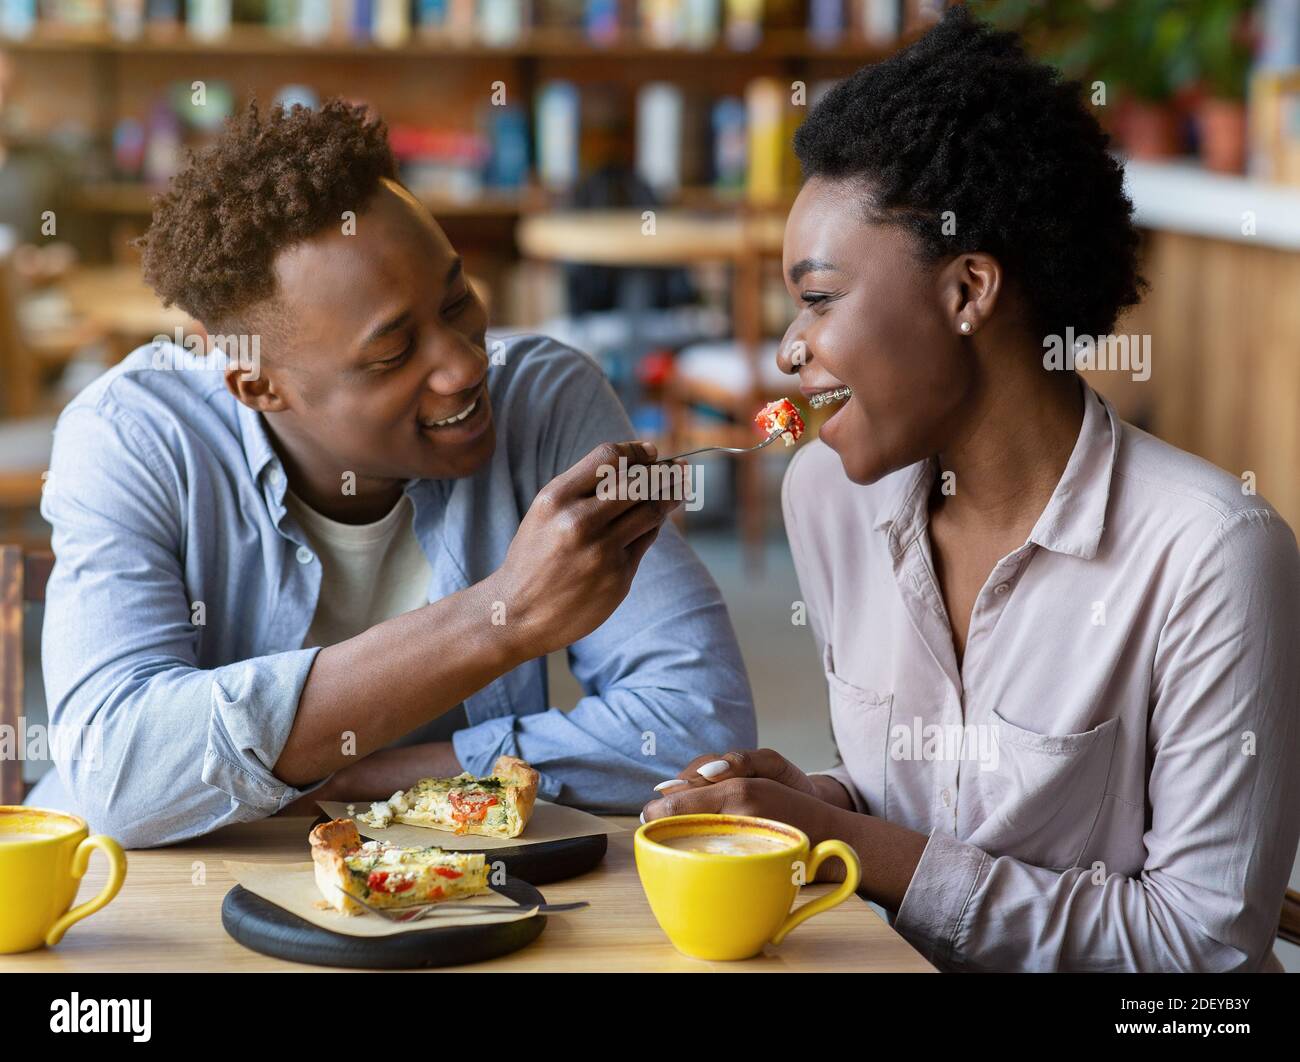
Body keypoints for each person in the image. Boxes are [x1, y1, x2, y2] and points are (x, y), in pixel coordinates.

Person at [643, 8, 1300, 972]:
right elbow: (929, 816)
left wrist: (863, 848)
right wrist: (826, 807)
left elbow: (1205, 957)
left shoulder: (1213, 555)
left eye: (818, 300)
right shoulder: (827, 497)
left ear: (967, 292)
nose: (790, 350)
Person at [28, 99, 755, 847]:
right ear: (256, 383)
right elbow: (119, 773)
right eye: (393, 354)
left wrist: (359, 774)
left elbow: (698, 727)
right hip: (146, 908)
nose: (467, 364)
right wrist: (500, 616)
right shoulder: (132, 438)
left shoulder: (544, 402)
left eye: (456, 300)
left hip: (444, 900)